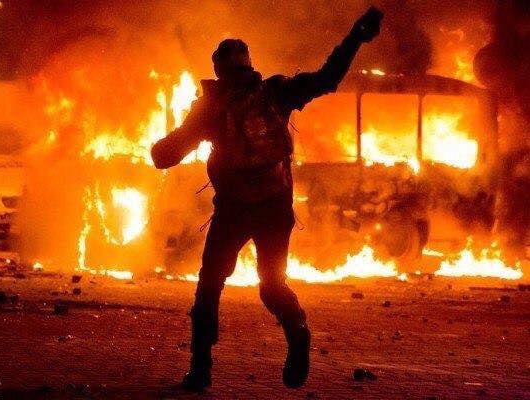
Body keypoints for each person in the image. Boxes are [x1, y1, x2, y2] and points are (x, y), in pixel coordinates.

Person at [151, 7, 382, 391]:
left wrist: (161, 147)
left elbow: (166, 156)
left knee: (211, 286)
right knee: (268, 285)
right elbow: (328, 77)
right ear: (247, 66)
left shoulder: (213, 107)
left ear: (218, 71)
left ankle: (201, 370)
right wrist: (355, 37)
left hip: (237, 211)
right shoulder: (275, 93)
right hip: (272, 209)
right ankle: (295, 329)